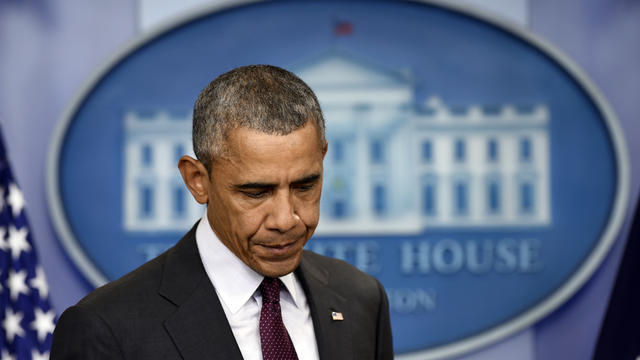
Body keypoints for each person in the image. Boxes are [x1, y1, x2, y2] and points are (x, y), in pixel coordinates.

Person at [51, 65, 393, 359]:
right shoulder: (107, 329)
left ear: (323, 157)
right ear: (198, 180)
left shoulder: (361, 298)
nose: (286, 219)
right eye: (256, 192)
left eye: (305, 186)